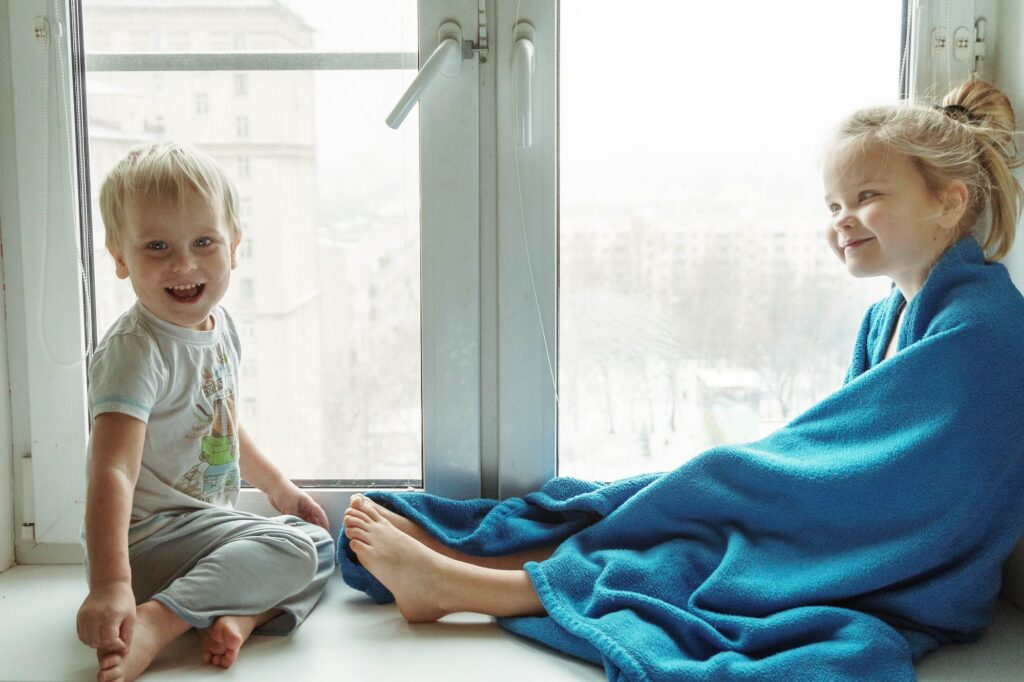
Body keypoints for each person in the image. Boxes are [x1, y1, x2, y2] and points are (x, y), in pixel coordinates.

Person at [340, 78, 1024, 680]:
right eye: (832, 204)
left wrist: (752, 483)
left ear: (949, 202)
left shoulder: (983, 329)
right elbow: (843, 452)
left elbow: (904, 484)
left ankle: (461, 584)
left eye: (866, 196)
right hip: (864, 526)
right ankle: (483, 562)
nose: (841, 219)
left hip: (909, 565)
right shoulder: (889, 316)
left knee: (704, 525)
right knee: (689, 507)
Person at [75, 142, 334, 682]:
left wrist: (280, 489)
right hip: (147, 545)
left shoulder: (222, 329)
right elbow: (113, 471)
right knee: (290, 548)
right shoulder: (136, 349)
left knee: (320, 545)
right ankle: (158, 620)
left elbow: (222, 424)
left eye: (203, 241)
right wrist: (110, 584)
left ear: (233, 248)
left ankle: (238, 617)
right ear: (120, 258)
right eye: (156, 246)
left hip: (202, 533)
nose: (184, 263)